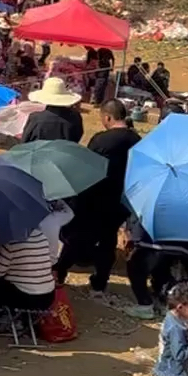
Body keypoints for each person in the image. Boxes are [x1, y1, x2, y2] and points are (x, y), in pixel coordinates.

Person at [60, 99, 139, 299]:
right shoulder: (137, 140)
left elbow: (87, 169)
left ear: (108, 117)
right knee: (107, 241)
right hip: (120, 200)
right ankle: (100, 283)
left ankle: (59, 272)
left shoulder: (101, 140)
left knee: (77, 238)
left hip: (95, 198)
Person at [20, 77, 85, 143]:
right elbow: (77, 138)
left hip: (39, 152)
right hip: (66, 152)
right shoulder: (75, 117)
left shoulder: (35, 118)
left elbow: (25, 141)